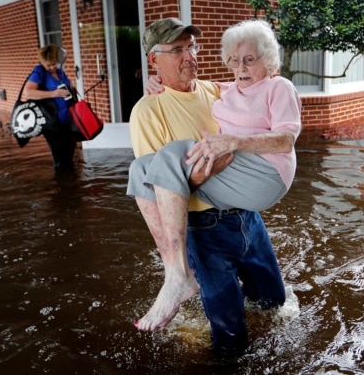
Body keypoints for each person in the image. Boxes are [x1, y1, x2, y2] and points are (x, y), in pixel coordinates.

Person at [127, 18, 302, 353]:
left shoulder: (212, 89)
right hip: (206, 228)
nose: (189, 55)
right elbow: (160, 185)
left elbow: (254, 90)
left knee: (273, 302)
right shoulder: (148, 111)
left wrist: (232, 148)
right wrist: (211, 165)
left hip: (247, 214)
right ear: (154, 60)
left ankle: (273, 348)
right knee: (230, 333)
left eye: (192, 46)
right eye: (177, 49)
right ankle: (178, 276)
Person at [22, 44, 77, 170]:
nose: (52, 67)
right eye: (48, 65)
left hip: (67, 121)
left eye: (54, 64)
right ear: (42, 63)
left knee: (69, 153)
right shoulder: (39, 72)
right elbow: (28, 92)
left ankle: (71, 184)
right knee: (60, 158)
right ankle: (62, 185)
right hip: (53, 123)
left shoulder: (59, 72)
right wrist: (54, 93)